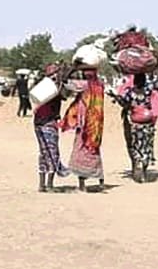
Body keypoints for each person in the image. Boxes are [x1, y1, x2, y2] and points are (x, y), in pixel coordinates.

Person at [111, 72, 158, 183]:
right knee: (145, 147)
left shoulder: (131, 92)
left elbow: (125, 103)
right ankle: (142, 171)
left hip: (136, 124)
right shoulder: (148, 89)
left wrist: (117, 98)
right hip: (145, 123)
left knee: (136, 146)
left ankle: (139, 170)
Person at [61, 68, 105, 192]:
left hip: (86, 125)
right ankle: (101, 181)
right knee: (94, 150)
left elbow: (67, 83)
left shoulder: (85, 85)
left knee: (81, 150)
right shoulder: (100, 85)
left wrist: (71, 70)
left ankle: (82, 185)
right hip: (97, 126)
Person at [34, 64, 69, 192]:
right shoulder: (54, 87)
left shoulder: (41, 85)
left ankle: (42, 184)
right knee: (52, 152)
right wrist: (62, 82)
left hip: (38, 122)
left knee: (43, 152)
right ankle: (49, 184)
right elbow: (64, 95)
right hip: (49, 122)